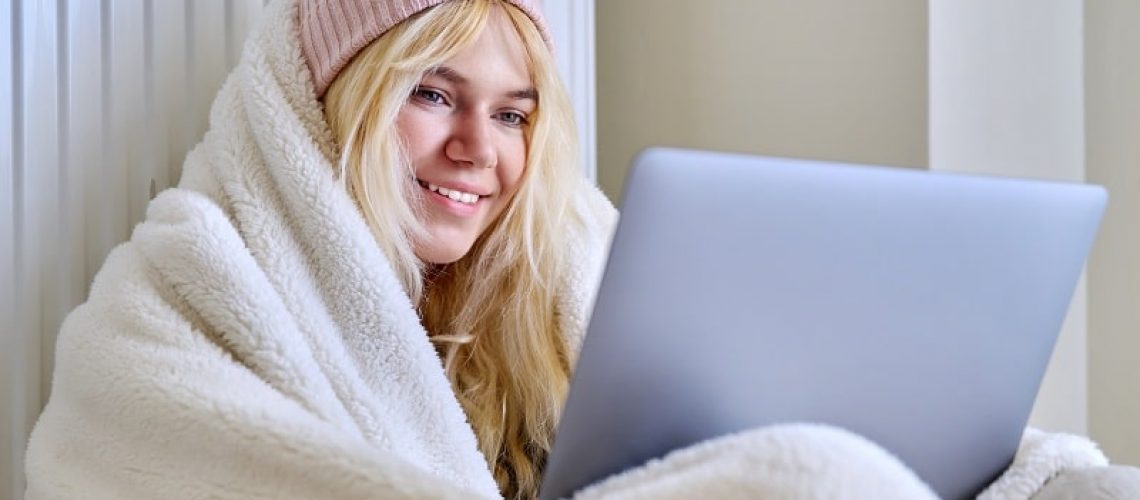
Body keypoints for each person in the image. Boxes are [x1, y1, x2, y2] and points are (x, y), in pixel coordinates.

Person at [23, 0, 1137, 498]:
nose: (478, 149)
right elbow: (114, 452)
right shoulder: (193, 284)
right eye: (432, 93)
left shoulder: (569, 264)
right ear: (332, 109)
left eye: (513, 114)